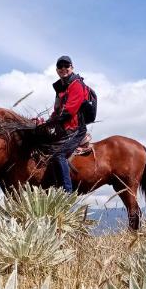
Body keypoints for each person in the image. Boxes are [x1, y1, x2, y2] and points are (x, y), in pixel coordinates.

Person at [47, 55, 97, 192]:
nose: (63, 69)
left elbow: (69, 110)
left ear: (72, 68)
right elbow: (57, 111)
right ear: (57, 70)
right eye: (60, 66)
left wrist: (53, 122)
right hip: (64, 128)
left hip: (75, 129)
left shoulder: (76, 84)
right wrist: (46, 122)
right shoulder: (61, 87)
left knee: (59, 155)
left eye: (66, 66)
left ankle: (66, 191)